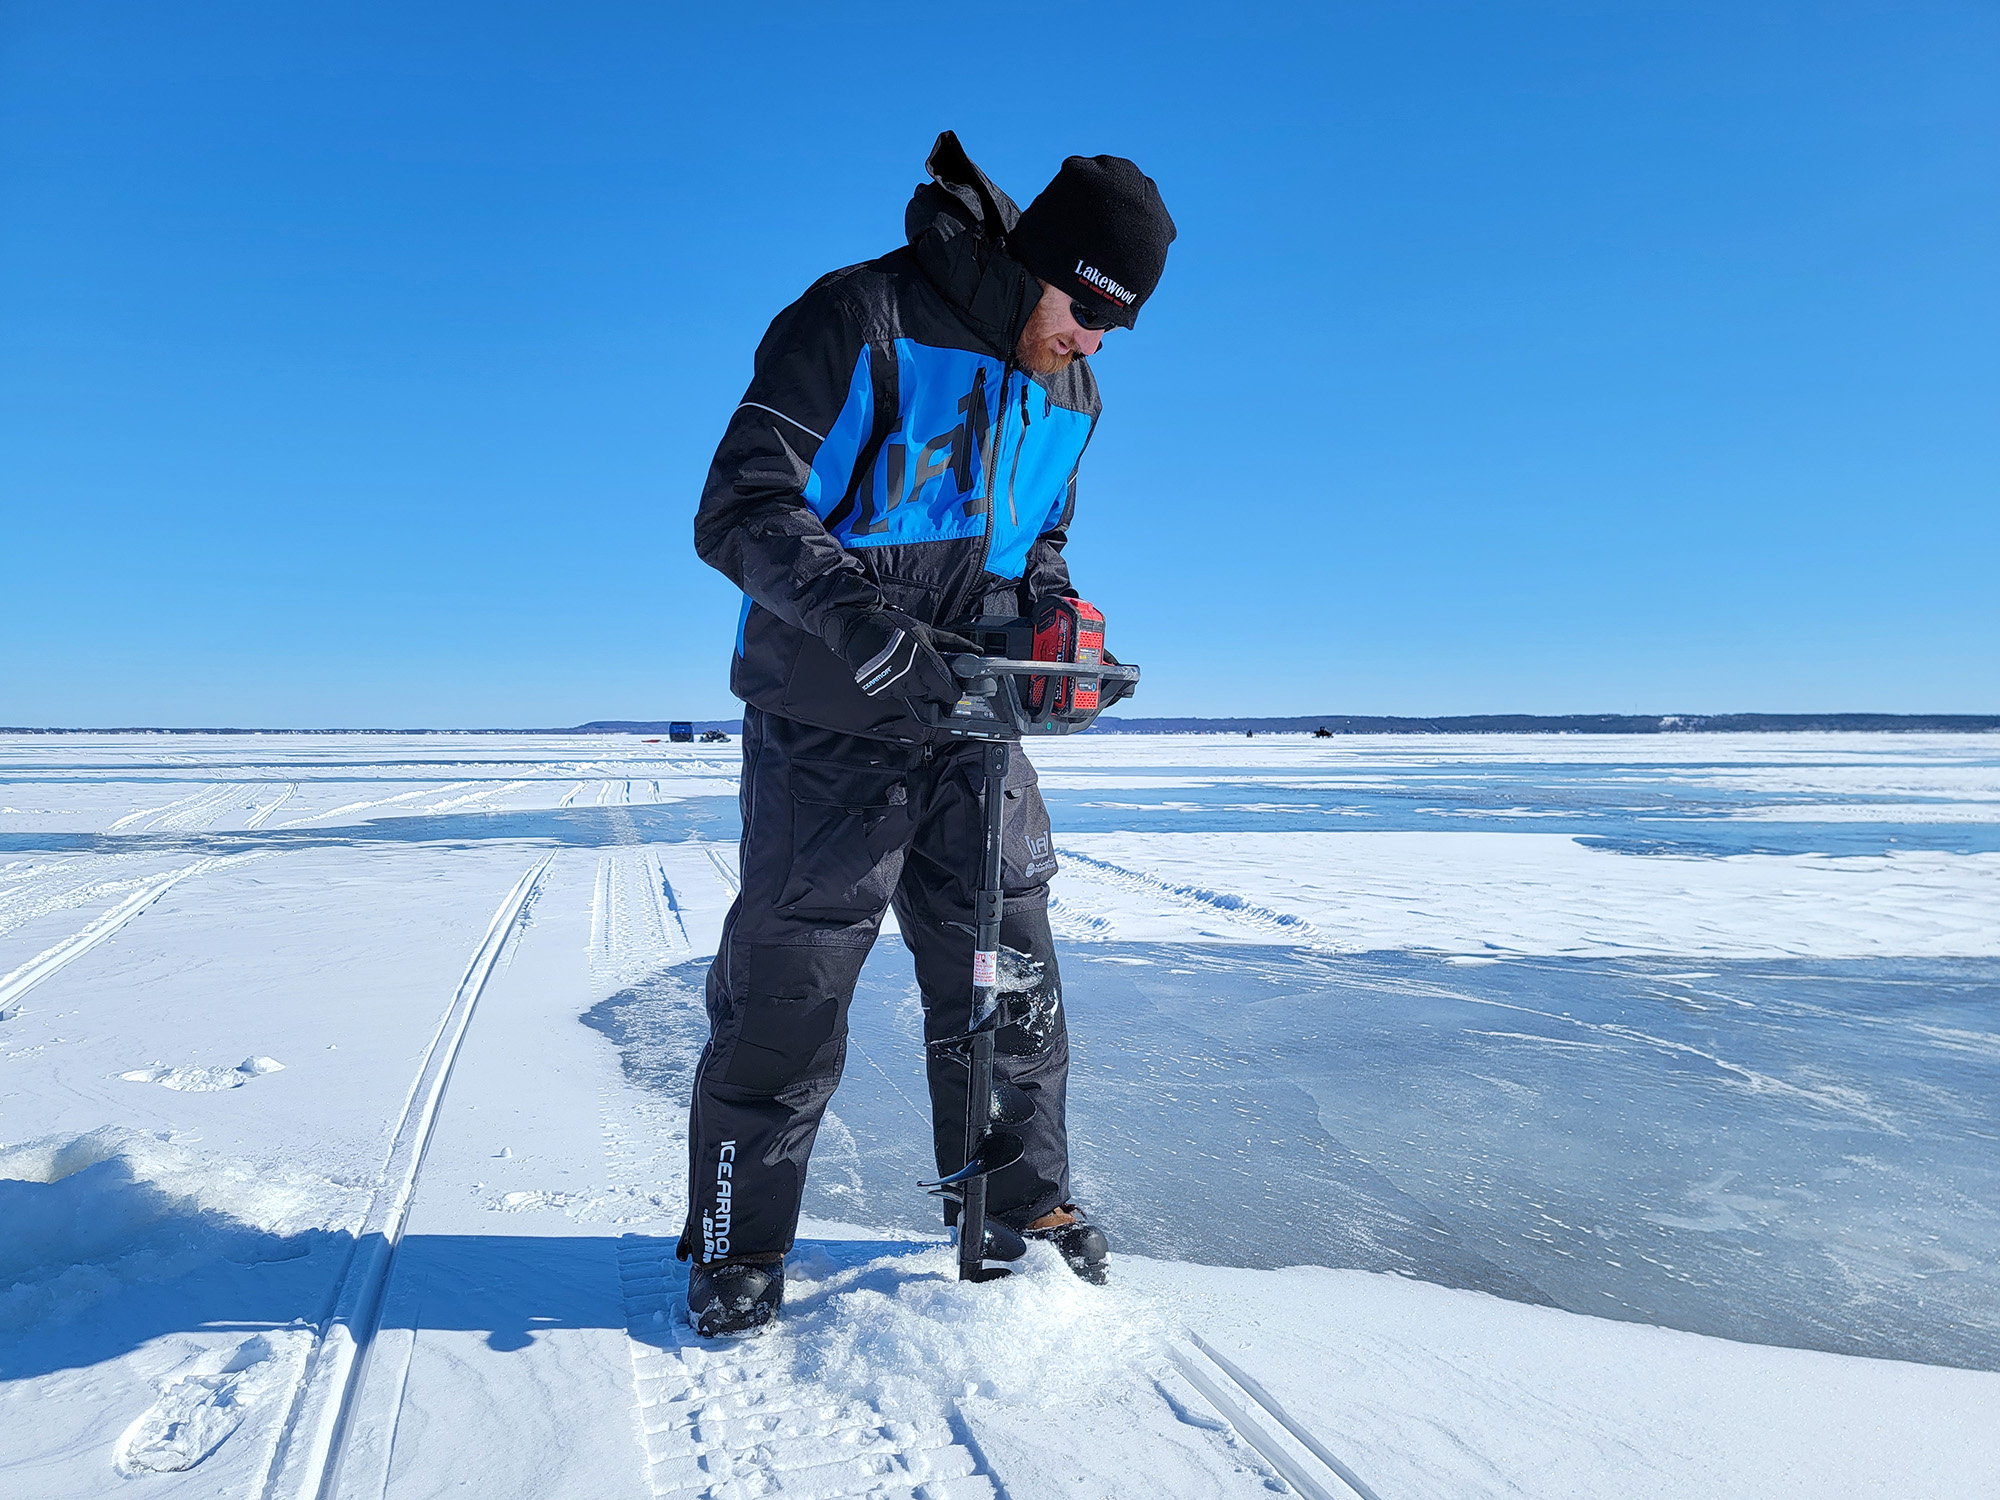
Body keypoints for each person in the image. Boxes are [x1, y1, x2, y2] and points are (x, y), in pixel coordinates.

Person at [682, 130, 1175, 1336]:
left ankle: (1024, 1205)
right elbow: (740, 504)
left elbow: (1034, 544)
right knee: (792, 986)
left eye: (1112, 325)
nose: (1090, 342)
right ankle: (734, 1243)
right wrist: (861, 621)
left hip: (974, 721)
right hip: (827, 720)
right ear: (1035, 264)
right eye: (1082, 310)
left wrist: (1055, 622)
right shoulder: (859, 320)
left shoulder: (1070, 389)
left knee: (1008, 967)